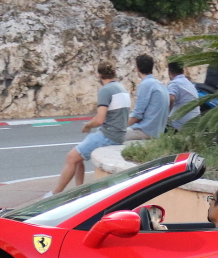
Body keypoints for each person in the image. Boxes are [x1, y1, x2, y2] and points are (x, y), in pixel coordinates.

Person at [51, 62, 130, 195]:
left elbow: (99, 119)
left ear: (99, 75)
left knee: (71, 157)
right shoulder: (122, 89)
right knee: (78, 158)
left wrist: (87, 125)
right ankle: (80, 191)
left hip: (108, 135)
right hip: (120, 134)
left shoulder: (106, 90)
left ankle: (55, 195)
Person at [124, 54, 168, 141]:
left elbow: (137, 115)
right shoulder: (161, 85)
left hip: (145, 131)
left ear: (137, 68)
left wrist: (120, 127)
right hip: (158, 131)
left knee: (110, 137)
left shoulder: (145, 85)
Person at [166, 60, 199, 131]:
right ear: (183, 71)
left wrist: (166, 115)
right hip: (195, 123)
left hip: (180, 126)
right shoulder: (189, 83)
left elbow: (171, 98)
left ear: (169, 72)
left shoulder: (174, 83)